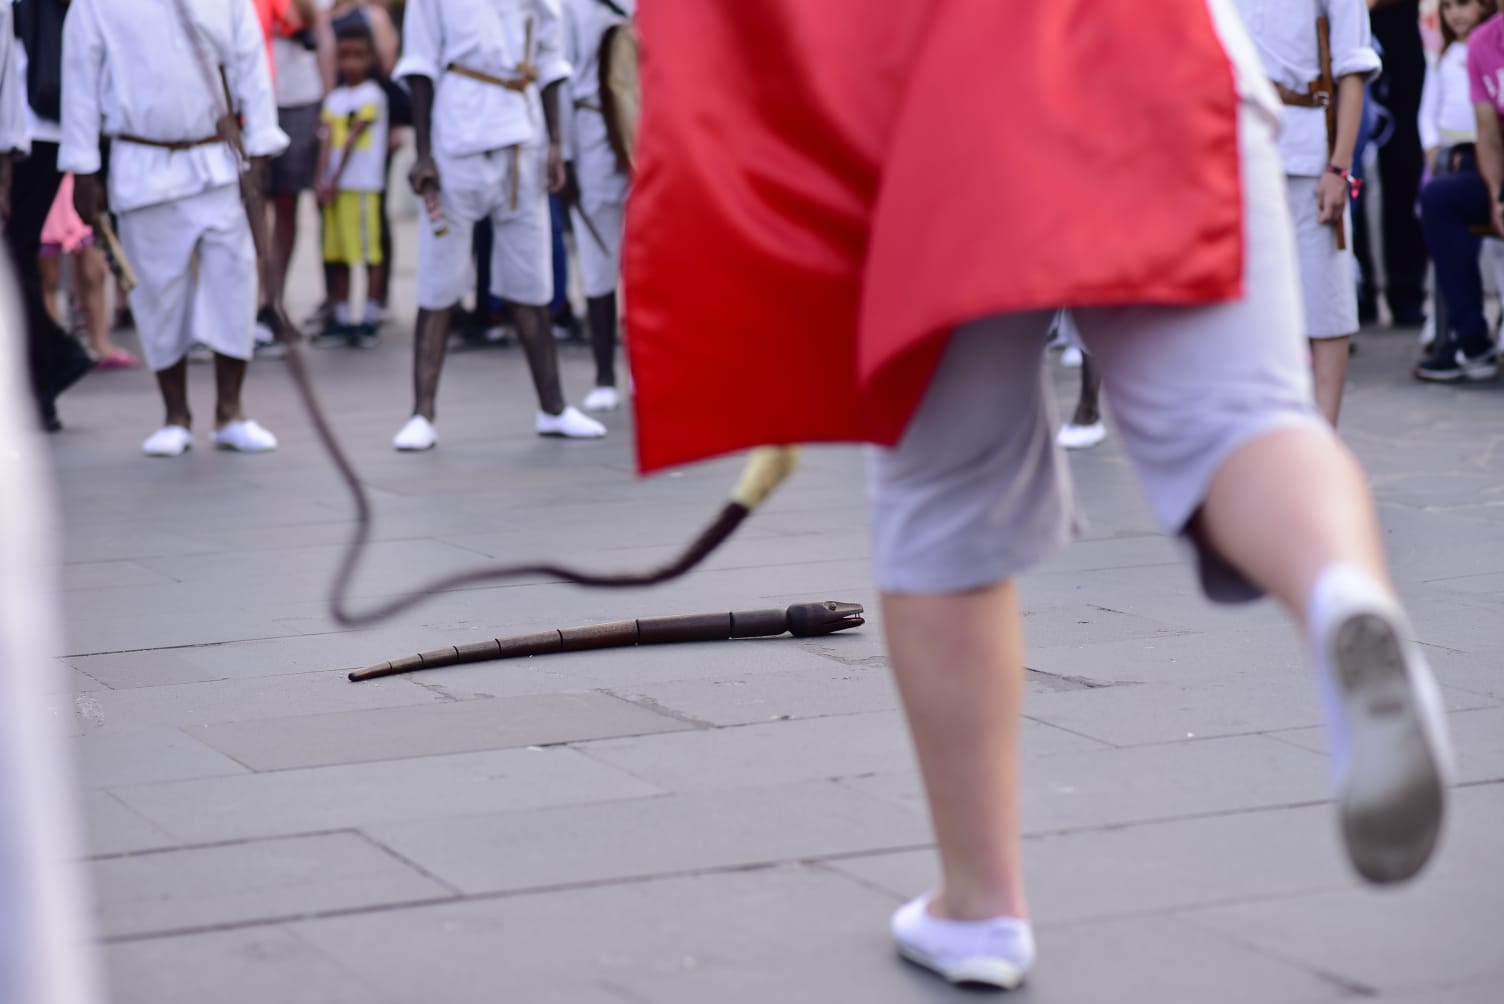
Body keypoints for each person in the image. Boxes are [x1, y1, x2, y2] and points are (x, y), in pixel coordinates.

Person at [624, 0, 1454, 988]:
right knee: (1244, 418)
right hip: (1168, 48)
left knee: (945, 501)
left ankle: (979, 910)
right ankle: (1339, 595)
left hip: (933, 88)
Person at [61, 0, 290, 457]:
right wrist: (82, 168)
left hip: (219, 162)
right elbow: (79, 83)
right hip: (142, 163)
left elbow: (251, 63)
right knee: (158, 293)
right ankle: (175, 415)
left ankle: (231, 412)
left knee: (234, 283)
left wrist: (262, 144)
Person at [391, 0, 606, 452]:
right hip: (457, 142)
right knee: (439, 282)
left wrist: (555, 144)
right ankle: (421, 413)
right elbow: (420, 65)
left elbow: (550, 63)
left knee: (532, 284)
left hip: (522, 144)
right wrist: (424, 153)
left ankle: (553, 409)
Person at [1237, 0, 1379, 426]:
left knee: (1325, 299)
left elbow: (1352, 68)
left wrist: (1339, 166)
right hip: (1234, 148)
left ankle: (1324, 437)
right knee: (1243, 307)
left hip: (1308, 147)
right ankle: (1258, 437)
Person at [10, 0, 96, 432]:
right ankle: (48, 367)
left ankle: (47, 369)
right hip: (28, 127)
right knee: (17, 257)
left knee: (14, 256)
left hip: (29, 129)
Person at [1417, 0, 1504, 380]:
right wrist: (1499, 194)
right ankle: (1470, 336)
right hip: (1486, 164)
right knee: (1439, 199)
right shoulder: (1481, 43)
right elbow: (1487, 132)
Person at [560, 0, 631, 412]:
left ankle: (645, 369)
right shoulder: (571, 7)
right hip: (592, 138)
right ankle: (604, 374)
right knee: (597, 259)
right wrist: (565, 155)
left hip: (645, 132)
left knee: (645, 260)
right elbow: (563, 77)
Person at [263, 0, 336, 350]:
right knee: (248, 209)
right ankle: (244, 307)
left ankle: (271, 302)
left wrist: (330, 103)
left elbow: (321, 34)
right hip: (255, 100)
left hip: (299, 101)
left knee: (287, 204)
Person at [315, 23, 389, 346]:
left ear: (371, 59)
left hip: (361, 186)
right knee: (339, 253)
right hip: (335, 189)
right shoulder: (334, 99)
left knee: (368, 251)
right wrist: (320, 179)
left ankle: (369, 315)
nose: (351, 64)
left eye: (358, 56)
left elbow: (352, 138)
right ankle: (343, 316)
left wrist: (331, 178)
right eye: (344, 56)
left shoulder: (373, 95)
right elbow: (328, 141)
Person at [37, 175, 138, 369]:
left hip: (76, 180)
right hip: (44, 176)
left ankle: (99, 344)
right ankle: (53, 349)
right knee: (48, 279)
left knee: (95, 272)